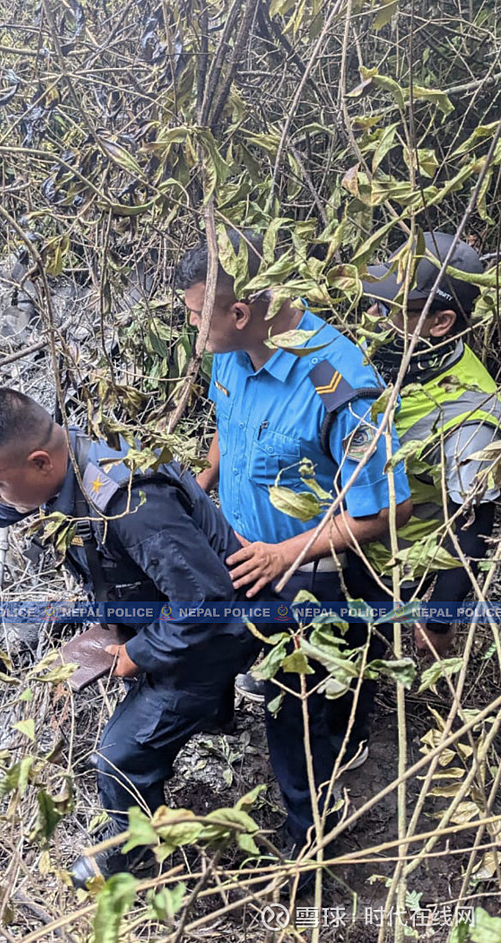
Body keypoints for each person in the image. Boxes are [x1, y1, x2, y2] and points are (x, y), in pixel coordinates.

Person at [0, 387, 261, 887]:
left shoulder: (129, 503)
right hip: (169, 612)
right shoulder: (62, 469)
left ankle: (137, 847)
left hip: (214, 631)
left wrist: (138, 654)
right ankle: (214, 711)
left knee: (119, 758)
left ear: (40, 461)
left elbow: (206, 606)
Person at [175, 229, 412, 853]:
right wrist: (202, 484)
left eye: (199, 318)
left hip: (322, 569)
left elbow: (389, 506)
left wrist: (287, 554)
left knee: (296, 709)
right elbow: (229, 421)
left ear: (240, 311)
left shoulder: (340, 383)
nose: (194, 333)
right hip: (247, 549)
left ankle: (311, 838)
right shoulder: (230, 353)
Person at [353, 231, 501, 657]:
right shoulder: (391, 348)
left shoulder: (472, 417)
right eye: (376, 301)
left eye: (391, 308)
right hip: (331, 530)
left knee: (355, 666)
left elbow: (473, 523)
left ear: (441, 322)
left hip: (385, 564)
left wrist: (439, 619)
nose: (375, 315)